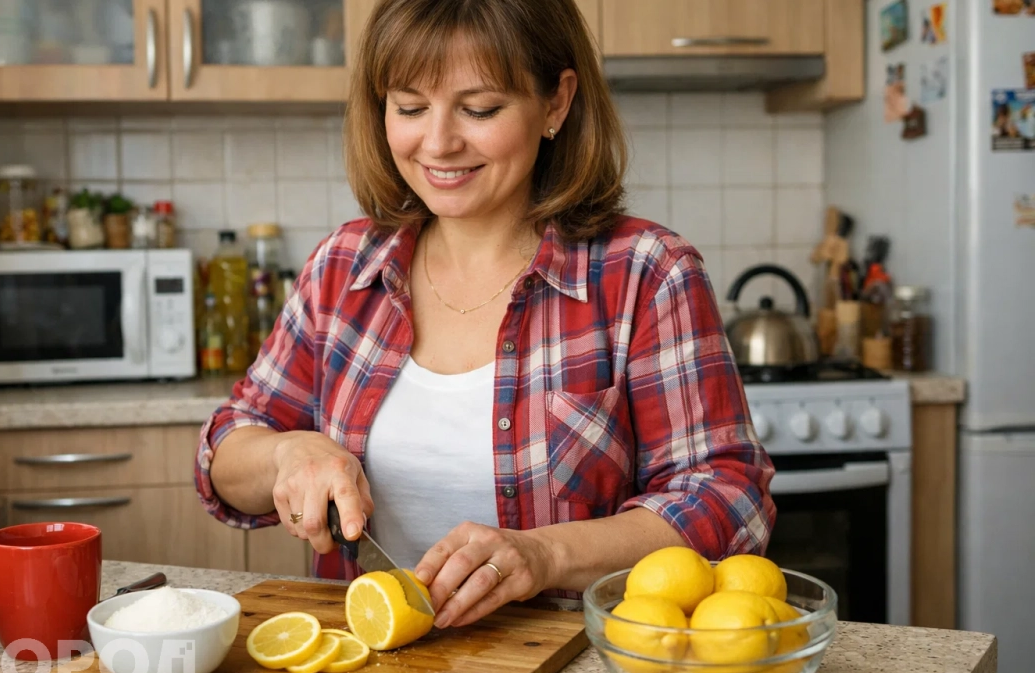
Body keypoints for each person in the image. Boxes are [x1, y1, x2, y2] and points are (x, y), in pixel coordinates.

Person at [195, 0, 775, 630]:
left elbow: (729, 499)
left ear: (556, 102)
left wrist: (544, 554)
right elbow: (226, 451)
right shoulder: (342, 268)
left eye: (480, 109)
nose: (438, 143)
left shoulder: (645, 273)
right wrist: (285, 455)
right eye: (410, 107)